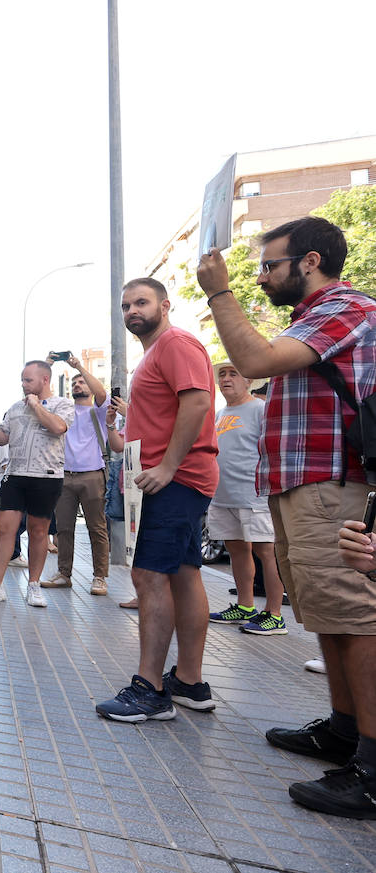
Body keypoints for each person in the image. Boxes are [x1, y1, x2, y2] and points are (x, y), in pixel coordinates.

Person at [200, 216, 376, 818]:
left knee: (355, 618)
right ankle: (345, 729)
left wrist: (220, 291)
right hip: (304, 486)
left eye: (269, 265)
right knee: (327, 614)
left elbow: (252, 358)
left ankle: (372, 769)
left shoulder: (346, 307)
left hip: (333, 485)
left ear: (308, 261)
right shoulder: (311, 318)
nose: (261, 276)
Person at [95, 278, 217, 724]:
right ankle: (189, 681)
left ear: (165, 305)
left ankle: (150, 690)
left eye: (141, 302)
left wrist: (166, 467)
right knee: (184, 575)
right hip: (167, 478)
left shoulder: (176, 343)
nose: (131, 311)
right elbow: (157, 422)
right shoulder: (155, 354)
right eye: (125, 305)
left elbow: (198, 403)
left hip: (173, 481)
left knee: (149, 576)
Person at [0, 361, 74, 606]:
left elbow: (59, 427)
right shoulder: (15, 407)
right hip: (15, 475)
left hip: (46, 477)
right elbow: (4, 438)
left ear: (45, 380)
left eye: (28, 380)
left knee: (39, 531)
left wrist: (37, 406)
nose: (24, 384)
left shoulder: (62, 404)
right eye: (22, 380)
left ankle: (34, 585)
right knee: (5, 529)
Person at [205, 361, 286, 635]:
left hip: (254, 495)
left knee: (267, 552)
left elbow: (274, 449)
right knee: (237, 549)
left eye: (233, 374)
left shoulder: (261, 409)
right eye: (223, 374)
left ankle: (274, 614)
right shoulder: (220, 414)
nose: (226, 379)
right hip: (224, 495)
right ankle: (245, 606)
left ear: (248, 380)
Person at [42, 356, 112, 596]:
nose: (77, 385)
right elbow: (40, 396)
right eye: (74, 382)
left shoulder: (98, 411)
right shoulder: (63, 410)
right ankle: (64, 574)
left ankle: (100, 577)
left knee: (97, 527)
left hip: (92, 474)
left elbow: (102, 393)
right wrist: (47, 364)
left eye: (82, 382)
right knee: (63, 529)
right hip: (64, 476)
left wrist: (79, 367)